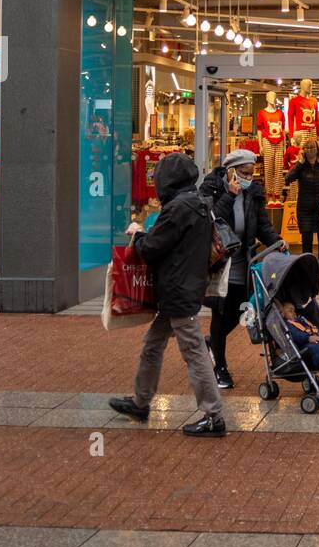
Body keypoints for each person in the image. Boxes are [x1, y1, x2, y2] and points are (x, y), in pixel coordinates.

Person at [109, 153, 226, 436]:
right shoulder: (198, 202)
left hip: (177, 291)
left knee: (194, 351)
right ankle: (141, 401)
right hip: (186, 286)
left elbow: (151, 248)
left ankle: (213, 416)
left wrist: (137, 234)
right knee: (153, 343)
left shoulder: (177, 208)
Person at [200, 149, 281, 389]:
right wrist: (228, 195)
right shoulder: (211, 188)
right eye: (244, 173)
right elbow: (210, 220)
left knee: (243, 309)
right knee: (220, 312)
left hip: (243, 261)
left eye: (251, 173)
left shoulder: (253, 192)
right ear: (231, 171)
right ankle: (220, 368)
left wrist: (276, 241)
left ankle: (212, 342)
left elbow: (262, 224)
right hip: (219, 262)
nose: (248, 178)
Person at [284, 137, 319, 277]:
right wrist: (300, 163)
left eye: (312, 148)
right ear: (303, 150)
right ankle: (308, 268)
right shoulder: (301, 165)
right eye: (306, 148)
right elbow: (288, 178)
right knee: (306, 240)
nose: (309, 151)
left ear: (317, 149)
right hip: (304, 208)